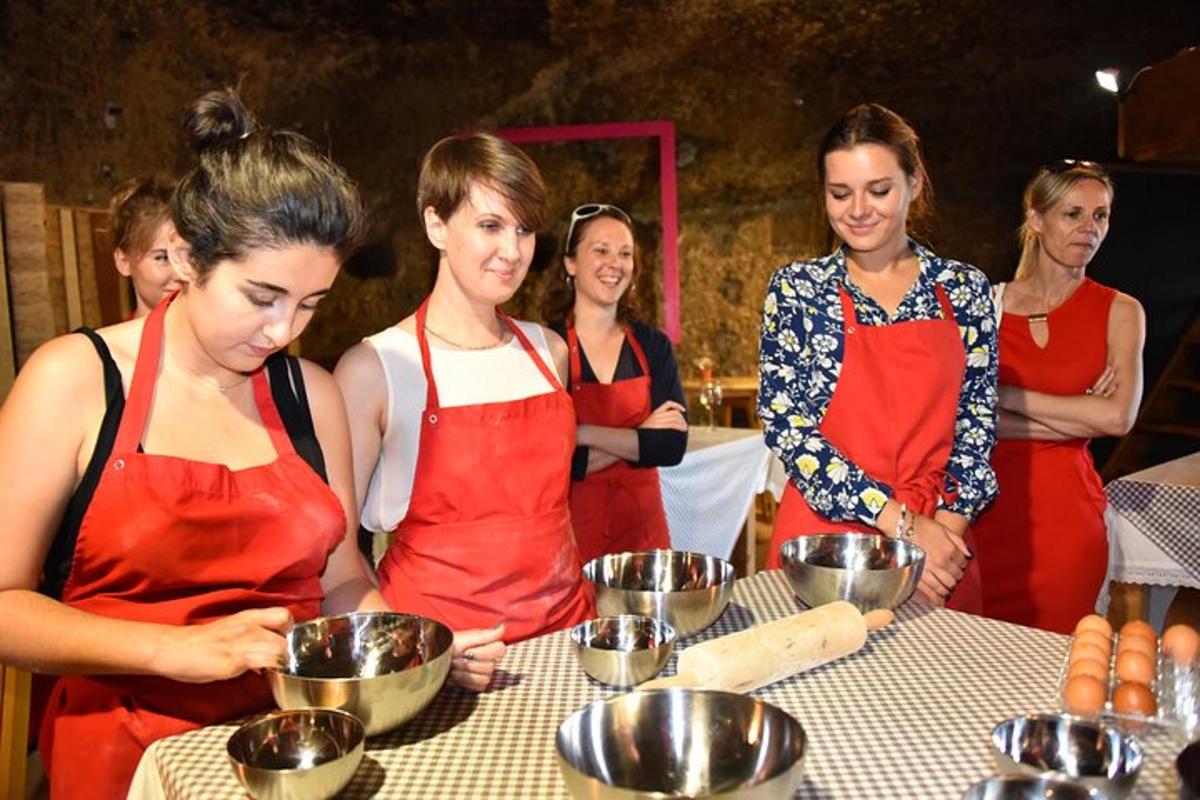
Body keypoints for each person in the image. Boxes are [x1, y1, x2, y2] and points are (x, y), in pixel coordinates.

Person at [0, 89, 499, 800]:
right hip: (128, 750)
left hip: (297, 745)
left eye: (309, 304)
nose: (282, 331)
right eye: (262, 297)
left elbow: (341, 578)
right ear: (186, 256)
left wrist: (405, 653)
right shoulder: (75, 380)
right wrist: (172, 648)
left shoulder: (312, 395)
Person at [335, 132, 595, 643]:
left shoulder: (550, 353)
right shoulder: (378, 368)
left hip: (565, 637)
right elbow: (336, 556)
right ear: (436, 225)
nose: (512, 251)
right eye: (490, 226)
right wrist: (412, 652)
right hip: (441, 649)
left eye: (524, 230)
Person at [757, 103, 998, 611]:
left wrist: (943, 540)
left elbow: (976, 424)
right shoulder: (799, 290)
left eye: (879, 190)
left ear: (914, 182)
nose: (858, 209)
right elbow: (787, 426)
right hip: (827, 543)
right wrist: (900, 526)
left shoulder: (963, 289)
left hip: (940, 540)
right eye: (839, 193)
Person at [973, 160, 1144, 633]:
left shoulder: (1122, 311)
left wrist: (1003, 395)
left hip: (1067, 525)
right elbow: (960, 418)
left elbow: (1116, 418)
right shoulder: (984, 306)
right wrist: (1077, 413)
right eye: (1073, 214)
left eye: (1101, 215)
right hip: (982, 515)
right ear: (1036, 219)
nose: (1090, 228)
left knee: (1061, 670)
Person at [541, 204, 688, 564]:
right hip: (574, 537)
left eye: (625, 253)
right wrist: (641, 434)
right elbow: (554, 462)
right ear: (570, 263)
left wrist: (582, 433)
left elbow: (671, 446)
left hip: (644, 535)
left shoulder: (653, 345)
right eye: (600, 250)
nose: (615, 263)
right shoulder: (547, 347)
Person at [109, 175, 180, 318]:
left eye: (191, 257)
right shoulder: (110, 340)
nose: (180, 273)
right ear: (124, 261)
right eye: (162, 258)